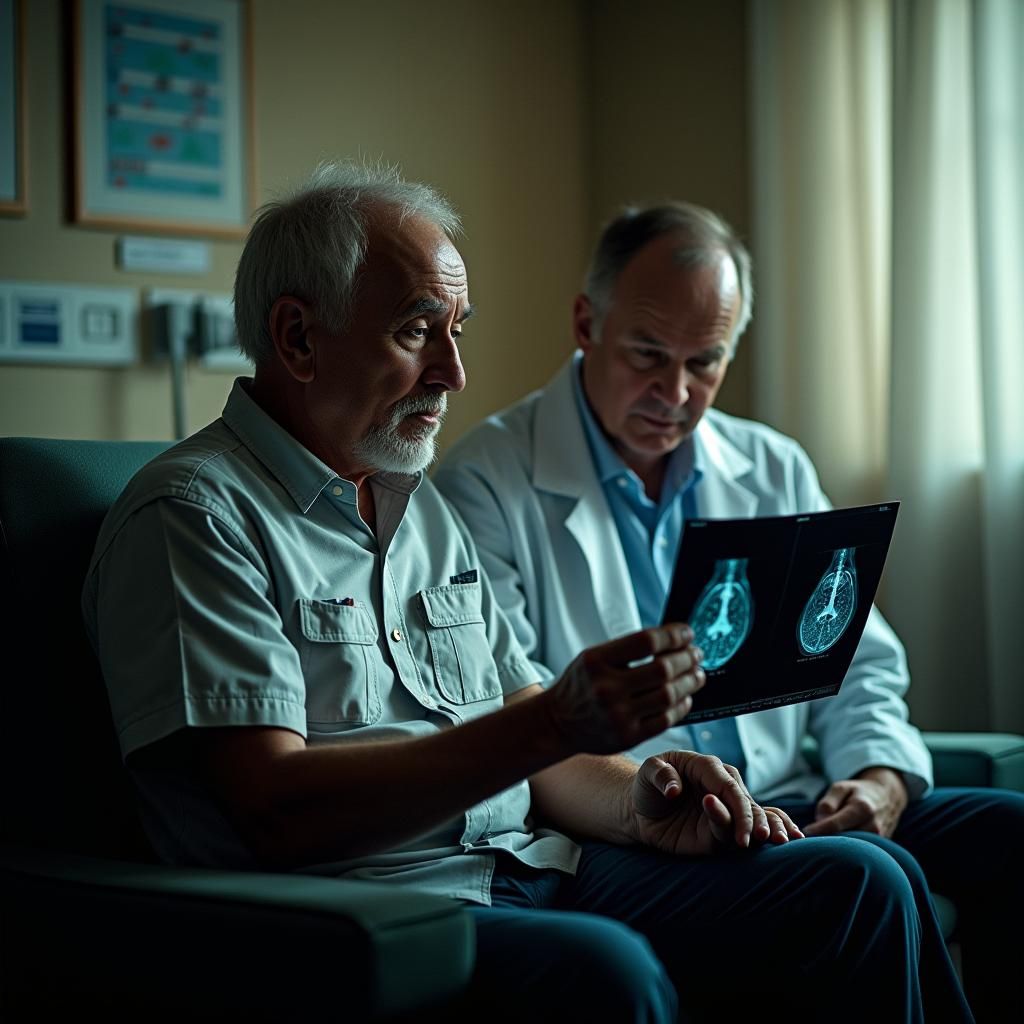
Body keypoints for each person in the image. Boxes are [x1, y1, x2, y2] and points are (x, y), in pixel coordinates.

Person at [84, 167, 971, 1024]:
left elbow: (525, 726)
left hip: (529, 862)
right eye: (416, 331)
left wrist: (644, 801)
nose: (454, 373)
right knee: (606, 973)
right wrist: (553, 723)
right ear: (298, 337)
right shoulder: (195, 516)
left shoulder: (414, 506)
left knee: (858, 883)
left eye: (457, 331)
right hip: (378, 907)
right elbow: (276, 808)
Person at [434, 201, 1024, 1022]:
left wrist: (881, 779)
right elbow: (518, 714)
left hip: (793, 794)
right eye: (647, 354)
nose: (674, 393)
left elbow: (859, 658)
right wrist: (659, 800)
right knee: (864, 878)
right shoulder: (486, 486)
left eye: (704, 363)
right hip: (631, 825)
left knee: (1012, 830)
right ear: (585, 322)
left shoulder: (770, 465)